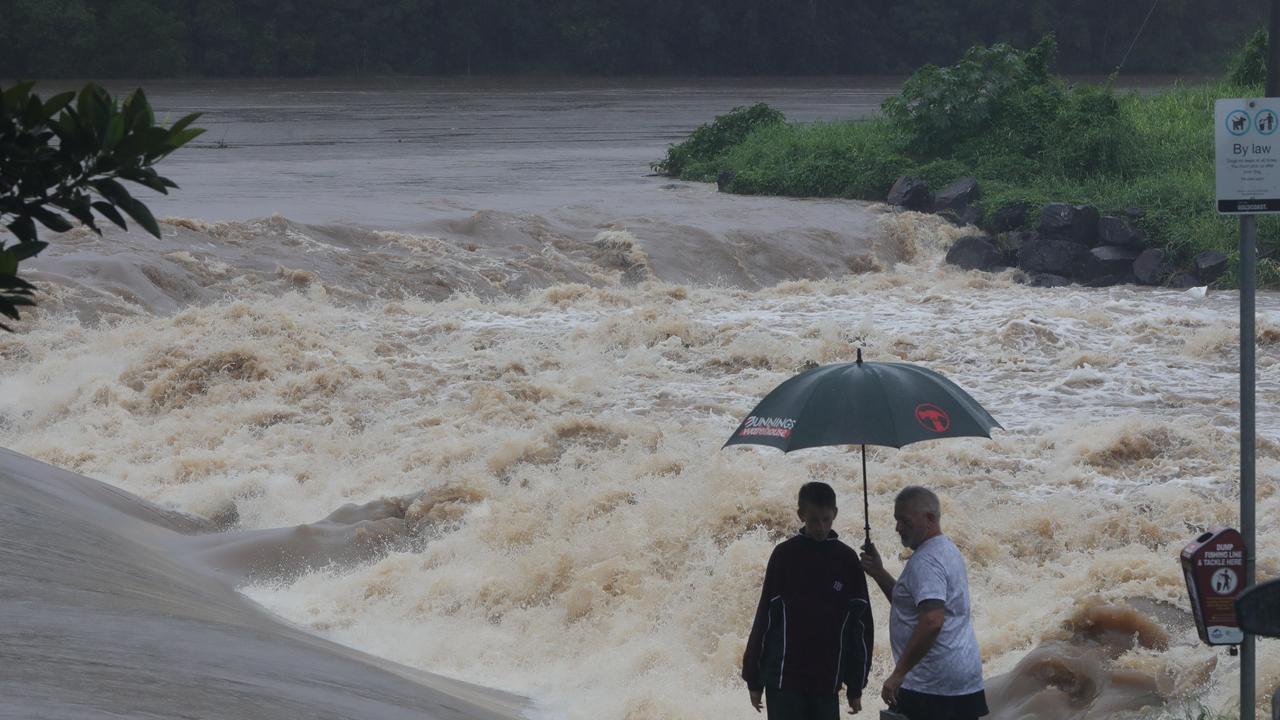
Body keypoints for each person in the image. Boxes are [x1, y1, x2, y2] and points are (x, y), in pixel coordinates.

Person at [742, 481, 874, 719]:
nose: (821, 527)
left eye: (826, 519)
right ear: (801, 515)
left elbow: (861, 626)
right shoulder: (784, 555)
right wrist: (754, 678)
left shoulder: (847, 559)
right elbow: (764, 617)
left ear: (835, 513)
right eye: (814, 520)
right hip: (783, 680)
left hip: (827, 680)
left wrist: (856, 684)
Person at [859, 486, 987, 720]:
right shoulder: (947, 549)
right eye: (897, 520)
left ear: (929, 518)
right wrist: (878, 572)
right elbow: (910, 605)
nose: (898, 528)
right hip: (962, 679)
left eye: (904, 521)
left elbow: (931, 620)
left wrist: (898, 674)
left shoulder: (926, 561)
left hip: (931, 685)